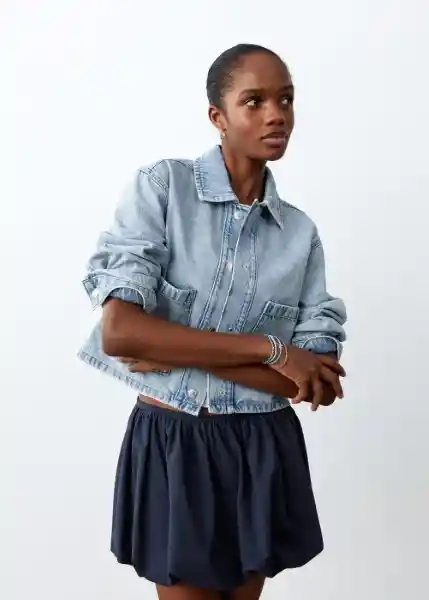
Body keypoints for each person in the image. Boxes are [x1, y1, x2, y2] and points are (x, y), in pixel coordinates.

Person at [78, 43, 347, 600]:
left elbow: (312, 383)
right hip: (174, 440)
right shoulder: (163, 189)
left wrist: (168, 347)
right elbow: (120, 333)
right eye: (254, 101)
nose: (276, 115)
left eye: (285, 100)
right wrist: (273, 350)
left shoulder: (300, 234)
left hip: (261, 444)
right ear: (217, 116)